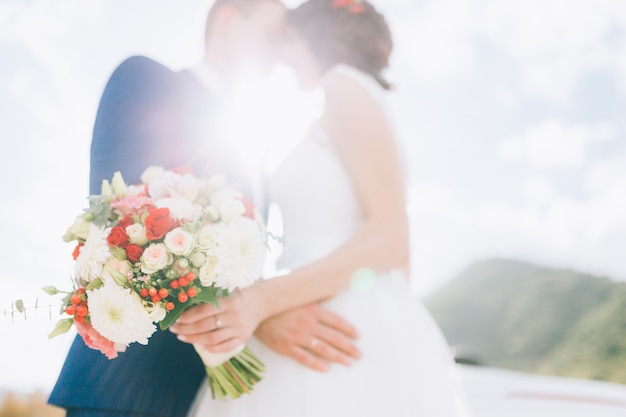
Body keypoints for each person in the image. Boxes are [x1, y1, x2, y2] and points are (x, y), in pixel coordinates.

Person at [48, 1, 361, 416]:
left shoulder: (256, 149)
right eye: (272, 37)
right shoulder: (147, 80)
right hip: (131, 384)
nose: (282, 55)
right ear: (229, 19)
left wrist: (259, 309)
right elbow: (124, 222)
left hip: (219, 394)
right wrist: (260, 316)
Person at [171, 0, 475, 416]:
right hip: (320, 308)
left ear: (311, 37)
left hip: (332, 317)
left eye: (284, 41)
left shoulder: (343, 84)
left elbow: (390, 237)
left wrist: (261, 300)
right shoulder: (342, 100)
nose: (278, 57)